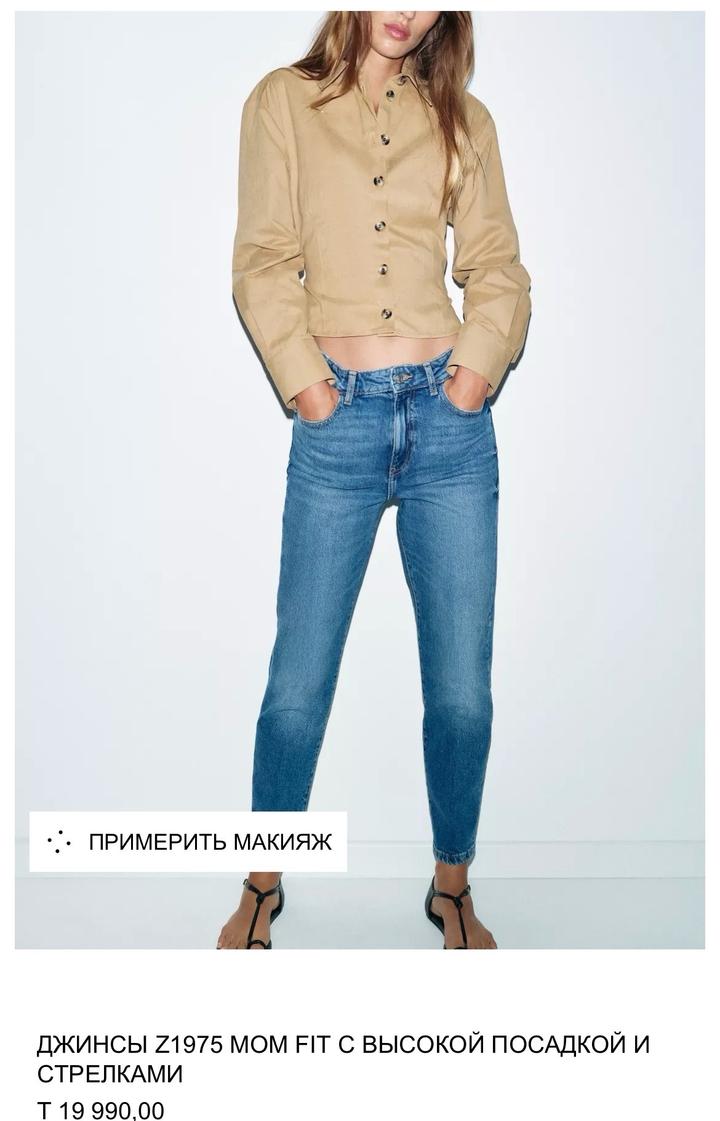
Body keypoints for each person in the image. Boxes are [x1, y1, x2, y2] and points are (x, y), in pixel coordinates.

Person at [218, 10, 531, 950]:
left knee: (462, 691)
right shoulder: (282, 103)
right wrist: (310, 387)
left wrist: (473, 375)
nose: (408, 7)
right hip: (338, 424)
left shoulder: (464, 118)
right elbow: (261, 262)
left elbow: (498, 267)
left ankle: (452, 886)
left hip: (450, 430)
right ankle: (262, 880)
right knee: (297, 685)